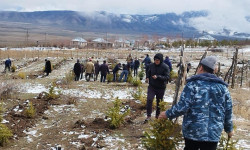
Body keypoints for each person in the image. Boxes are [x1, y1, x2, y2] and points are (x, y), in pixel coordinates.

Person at [159, 56, 233, 150]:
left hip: (193, 132)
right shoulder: (223, 88)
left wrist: (167, 114)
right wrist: (229, 129)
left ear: (201, 67)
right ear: (213, 70)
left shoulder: (192, 85)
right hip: (212, 133)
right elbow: (228, 110)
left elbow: (183, 106)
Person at [145, 53, 170, 122]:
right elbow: (148, 72)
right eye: (155, 60)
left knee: (159, 102)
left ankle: (157, 116)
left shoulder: (165, 67)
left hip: (161, 87)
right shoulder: (151, 66)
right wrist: (147, 77)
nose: (156, 61)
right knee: (149, 99)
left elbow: (167, 77)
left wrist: (158, 77)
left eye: (158, 60)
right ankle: (148, 115)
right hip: (152, 86)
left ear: (161, 60)